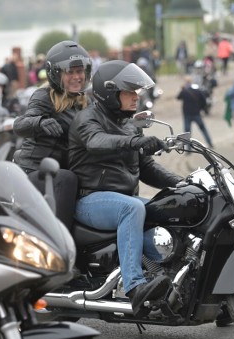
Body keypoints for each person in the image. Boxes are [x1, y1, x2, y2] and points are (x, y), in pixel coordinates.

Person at [68, 60, 183, 318]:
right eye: (129, 92)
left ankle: (172, 279)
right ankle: (135, 287)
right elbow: (97, 142)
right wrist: (135, 141)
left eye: (137, 92)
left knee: (171, 206)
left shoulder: (128, 124)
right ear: (110, 93)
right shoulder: (86, 119)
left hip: (120, 200)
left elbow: (148, 169)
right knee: (131, 208)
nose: (136, 97)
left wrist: (183, 183)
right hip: (90, 201)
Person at [13, 40, 91, 229]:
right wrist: (40, 122)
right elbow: (20, 125)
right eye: (69, 72)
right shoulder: (44, 96)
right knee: (68, 178)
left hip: (62, 170)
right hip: (37, 171)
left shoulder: (85, 100)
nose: (76, 77)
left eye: (80, 71)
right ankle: (60, 242)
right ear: (56, 73)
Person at [177, 75, 213, 148]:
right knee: (203, 128)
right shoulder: (197, 90)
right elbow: (203, 100)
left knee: (187, 133)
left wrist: (182, 89)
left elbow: (178, 97)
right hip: (196, 113)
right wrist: (200, 108)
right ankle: (210, 143)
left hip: (187, 114)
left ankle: (188, 148)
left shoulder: (184, 91)